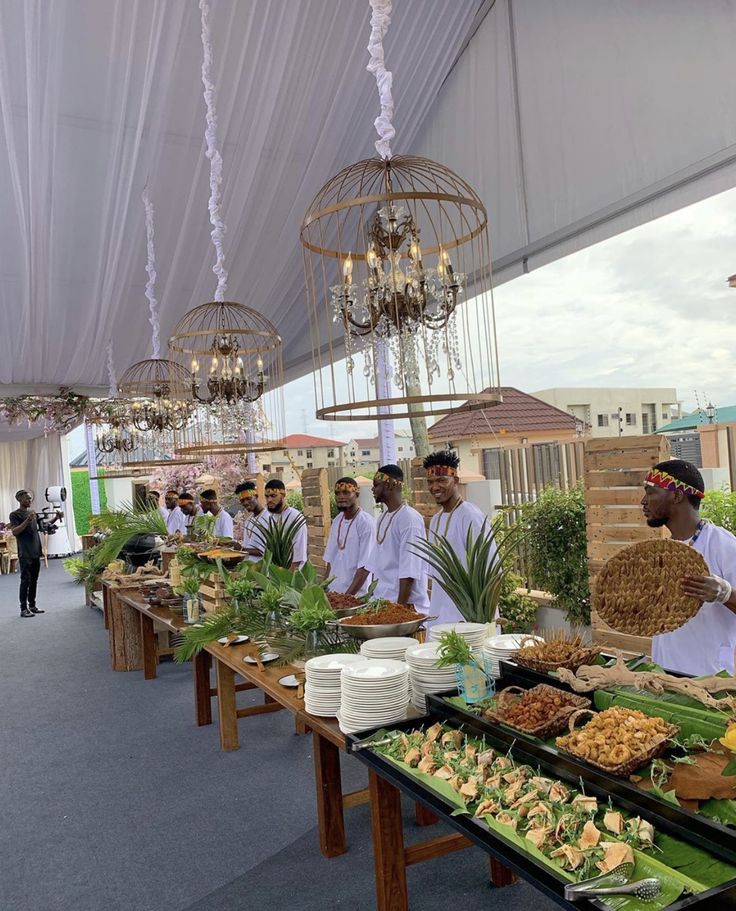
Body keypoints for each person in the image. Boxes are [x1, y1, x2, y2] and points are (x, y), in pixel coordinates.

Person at [643, 459, 736, 675]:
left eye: (651, 492)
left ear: (676, 495)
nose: (643, 501)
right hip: (665, 676)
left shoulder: (723, 545)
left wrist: (725, 593)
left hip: (712, 681)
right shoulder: (662, 552)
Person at [423, 450, 490, 625]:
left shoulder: (470, 515)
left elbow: (490, 571)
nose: (435, 487)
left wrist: (483, 620)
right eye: (430, 482)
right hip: (440, 612)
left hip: (469, 617)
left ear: (456, 481)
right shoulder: (436, 519)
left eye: (441, 480)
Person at [367, 465, 429, 611]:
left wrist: (399, 611)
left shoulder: (409, 519)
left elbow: (409, 571)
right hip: (382, 603)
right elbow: (376, 566)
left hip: (405, 607)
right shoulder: (382, 518)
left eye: (376, 485)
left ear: (388, 485)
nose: (372, 490)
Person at [323, 478, 375, 595]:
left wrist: (346, 598)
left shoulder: (366, 523)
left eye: (346, 493)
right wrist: (323, 590)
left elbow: (365, 567)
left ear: (357, 494)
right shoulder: (337, 521)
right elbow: (330, 561)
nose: (341, 497)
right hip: (333, 595)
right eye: (337, 493)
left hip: (355, 597)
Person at [255, 478, 308, 570]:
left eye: (273, 496)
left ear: (283, 495)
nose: (269, 500)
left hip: (292, 575)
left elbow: (299, 553)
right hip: (274, 574)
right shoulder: (271, 518)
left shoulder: (295, 517)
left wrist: (286, 578)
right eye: (267, 496)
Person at [9, 490, 44, 618]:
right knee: (25, 581)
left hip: (35, 551)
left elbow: (43, 527)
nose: (29, 501)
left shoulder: (33, 513)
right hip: (25, 553)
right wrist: (27, 521)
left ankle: (32, 605)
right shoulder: (15, 515)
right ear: (20, 500)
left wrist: (57, 518)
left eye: (30, 499)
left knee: (34, 580)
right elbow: (15, 531)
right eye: (27, 499)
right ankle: (23, 609)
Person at [235, 481, 266, 561]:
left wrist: (241, 549)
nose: (245, 503)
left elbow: (266, 551)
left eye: (248, 498)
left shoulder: (268, 518)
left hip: (263, 569)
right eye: (242, 501)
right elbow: (247, 545)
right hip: (248, 567)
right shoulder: (248, 520)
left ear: (256, 496)